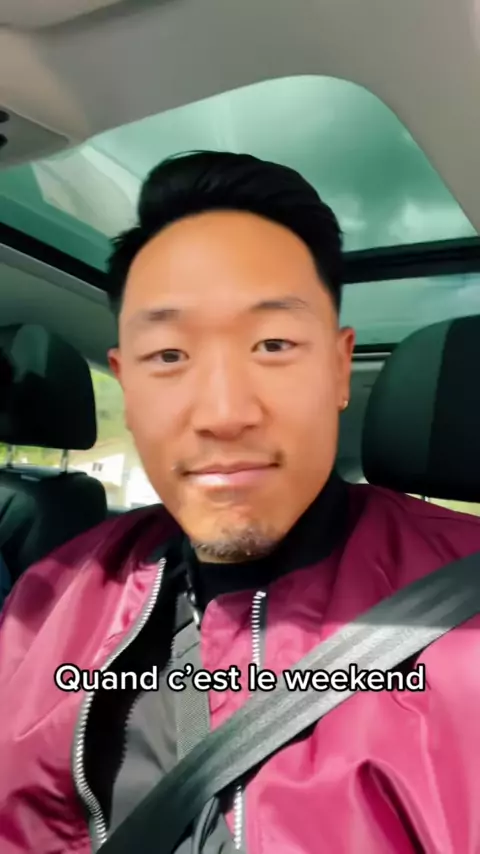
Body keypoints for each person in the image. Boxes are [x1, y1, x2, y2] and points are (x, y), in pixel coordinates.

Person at [1, 151, 480, 854]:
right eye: (169, 356)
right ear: (127, 387)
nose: (224, 414)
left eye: (273, 344)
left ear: (338, 368)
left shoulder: (468, 620)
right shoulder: (47, 598)